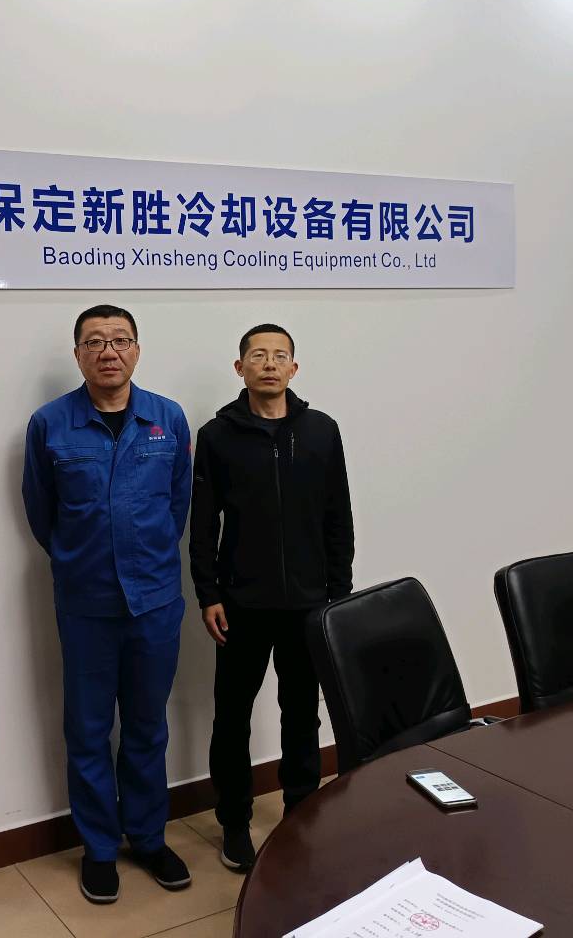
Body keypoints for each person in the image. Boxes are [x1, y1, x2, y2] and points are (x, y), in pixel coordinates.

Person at [21, 305, 193, 905]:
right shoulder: (50, 424)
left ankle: (147, 838)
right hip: (86, 601)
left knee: (147, 726)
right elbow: (41, 511)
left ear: (137, 350)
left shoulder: (168, 419)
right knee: (89, 729)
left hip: (155, 601)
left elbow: (178, 504)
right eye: (94, 342)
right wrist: (81, 558)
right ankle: (98, 847)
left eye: (120, 340)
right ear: (78, 355)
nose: (108, 351)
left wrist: (145, 557)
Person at [189, 323, 354, 873]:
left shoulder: (321, 431)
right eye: (257, 355)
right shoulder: (217, 436)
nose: (269, 364)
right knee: (232, 717)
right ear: (240, 368)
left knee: (301, 715)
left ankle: (300, 816)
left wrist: (338, 595)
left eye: (279, 356)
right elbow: (202, 524)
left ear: (293, 368)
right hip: (241, 604)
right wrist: (208, 592)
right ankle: (234, 822)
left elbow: (338, 518)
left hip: (310, 604)